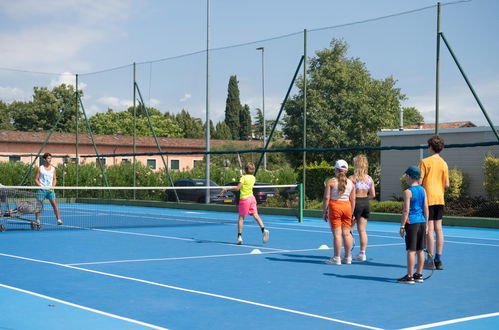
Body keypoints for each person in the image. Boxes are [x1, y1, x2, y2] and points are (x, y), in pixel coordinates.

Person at [418, 135, 449, 270]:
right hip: (439, 198)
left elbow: (419, 182)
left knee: (429, 229)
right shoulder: (444, 163)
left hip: (428, 198)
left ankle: (429, 260)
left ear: (430, 147)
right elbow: (446, 184)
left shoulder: (424, 162)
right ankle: (438, 259)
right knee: (438, 229)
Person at [219, 162, 269, 245]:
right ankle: (263, 229)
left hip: (244, 199)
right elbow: (247, 180)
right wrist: (243, 178)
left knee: (241, 218)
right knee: (256, 215)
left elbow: (237, 188)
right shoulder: (253, 178)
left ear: (246, 170)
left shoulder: (244, 178)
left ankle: (239, 237)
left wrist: (226, 188)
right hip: (252, 199)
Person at [398, 165, 429, 284]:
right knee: (420, 250)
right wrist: (426, 224)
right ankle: (419, 275)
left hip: (412, 223)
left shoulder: (407, 192)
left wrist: (402, 226)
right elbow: (426, 207)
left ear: (410, 177)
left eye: (406, 176)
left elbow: (406, 210)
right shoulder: (423, 190)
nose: (406, 178)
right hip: (421, 222)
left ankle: (410, 276)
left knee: (411, 250)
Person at [323, 159, 356, 265]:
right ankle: (347, 257)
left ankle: (337, 258)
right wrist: (352, 213)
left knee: (337, 234)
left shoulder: (331, 182)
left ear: (336, 170)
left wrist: (324, 211)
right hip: (347, 207)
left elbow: (326, 198)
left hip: (335, 207)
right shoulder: (351, 183)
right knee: (346, 234)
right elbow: (353, 199)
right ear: (346, 171)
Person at [348, 154, 376, 262]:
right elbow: (373, 194)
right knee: (362, 230)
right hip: (365, 203)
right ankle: (362, 253)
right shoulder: (369, 178)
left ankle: (348, 253)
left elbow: (348, 193)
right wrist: (365, 198)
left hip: (356, 203)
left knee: (349, 229)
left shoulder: (352, 178)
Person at [35, 153, 63, 226]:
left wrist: (52, 187)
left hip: (50, 190)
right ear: (44, 159)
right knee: (39, 206)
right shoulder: (40, 168)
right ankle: (37, 220)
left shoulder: (53, 169)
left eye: (50, 158)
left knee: (54, 205)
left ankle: (59, 220)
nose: (49, 160)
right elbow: (36, 179)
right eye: (48, 158)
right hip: (41, 190)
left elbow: (54, 179)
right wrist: (41, 187)